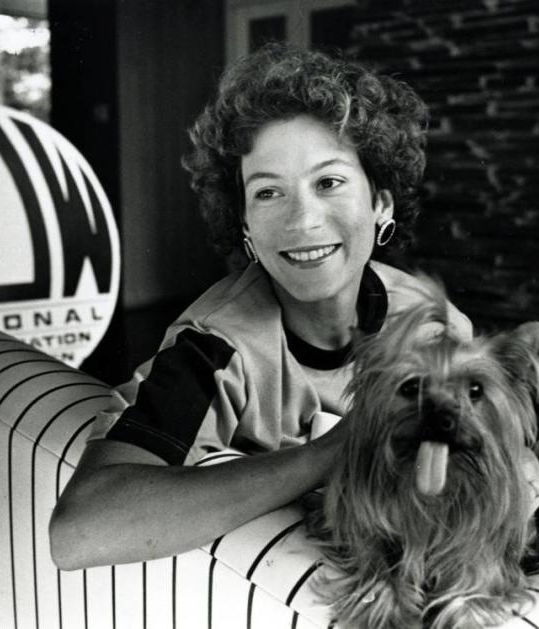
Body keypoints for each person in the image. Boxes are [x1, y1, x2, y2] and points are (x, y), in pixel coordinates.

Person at [49, 44, 471, 570]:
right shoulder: (213, 345)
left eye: (330, 182)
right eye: (268, 193)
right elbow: (83, 531)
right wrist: (332, 452)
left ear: (380, 201)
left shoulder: (433, 324)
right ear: (244, 223)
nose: (302, 220)